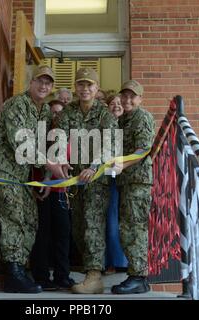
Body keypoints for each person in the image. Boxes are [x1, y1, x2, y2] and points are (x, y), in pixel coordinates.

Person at [0, 65, 70, 294]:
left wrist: (49, 177)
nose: (44, 86)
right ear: (30, 83)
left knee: (31, 220)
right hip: (3, 172)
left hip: (21, 178)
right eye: (39, 81)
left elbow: (41, 147)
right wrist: (50, 165)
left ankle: (19, 269)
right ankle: (12, 273)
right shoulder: (16, 104)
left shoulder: (42, 112)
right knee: (14, 218)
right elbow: (22, 145)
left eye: (48, 83)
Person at [57, 68, 118, 294]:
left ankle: (94, 275)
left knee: (93, 225)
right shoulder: (68, 113)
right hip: (75, 179)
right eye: (81, 84)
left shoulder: (105, 115)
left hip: (97, 179)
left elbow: (111, 144)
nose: (85, 89)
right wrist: (62, 160)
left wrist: (94, 167)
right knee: (78, 227)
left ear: (97, 88)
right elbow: (61, 139)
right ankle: (91, 273)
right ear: (76, 87)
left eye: (89, 85)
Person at [110, 80, 156, 294]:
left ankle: (138, 276)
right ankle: (138, 276)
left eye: (132, 96)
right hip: (127, 181)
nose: (128, 100)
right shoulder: (124, 119)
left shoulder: (142, 117)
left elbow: (143, 149)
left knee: (134, 228)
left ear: (140, 99)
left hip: (137, 181)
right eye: (125, 95)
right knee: (127, 227)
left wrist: (122, 165)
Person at [30, 100, 75, 291]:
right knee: (43, 234)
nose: (56, 116)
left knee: (63, 235)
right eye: (53, 113)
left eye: (60, 113)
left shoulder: (67, 137)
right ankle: (41, 276)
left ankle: (62, 276)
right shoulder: (40, 136)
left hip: (61, 192)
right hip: (42, 190)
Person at [104, 95, 128, 275]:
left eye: (119, 104)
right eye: (112, 104)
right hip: (106, 177)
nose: (116, 106)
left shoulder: (130, 124)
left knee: (125, 219)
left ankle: (125, 261)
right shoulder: (102, 125)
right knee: (109, 218)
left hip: (127, 178)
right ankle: (111, 262)